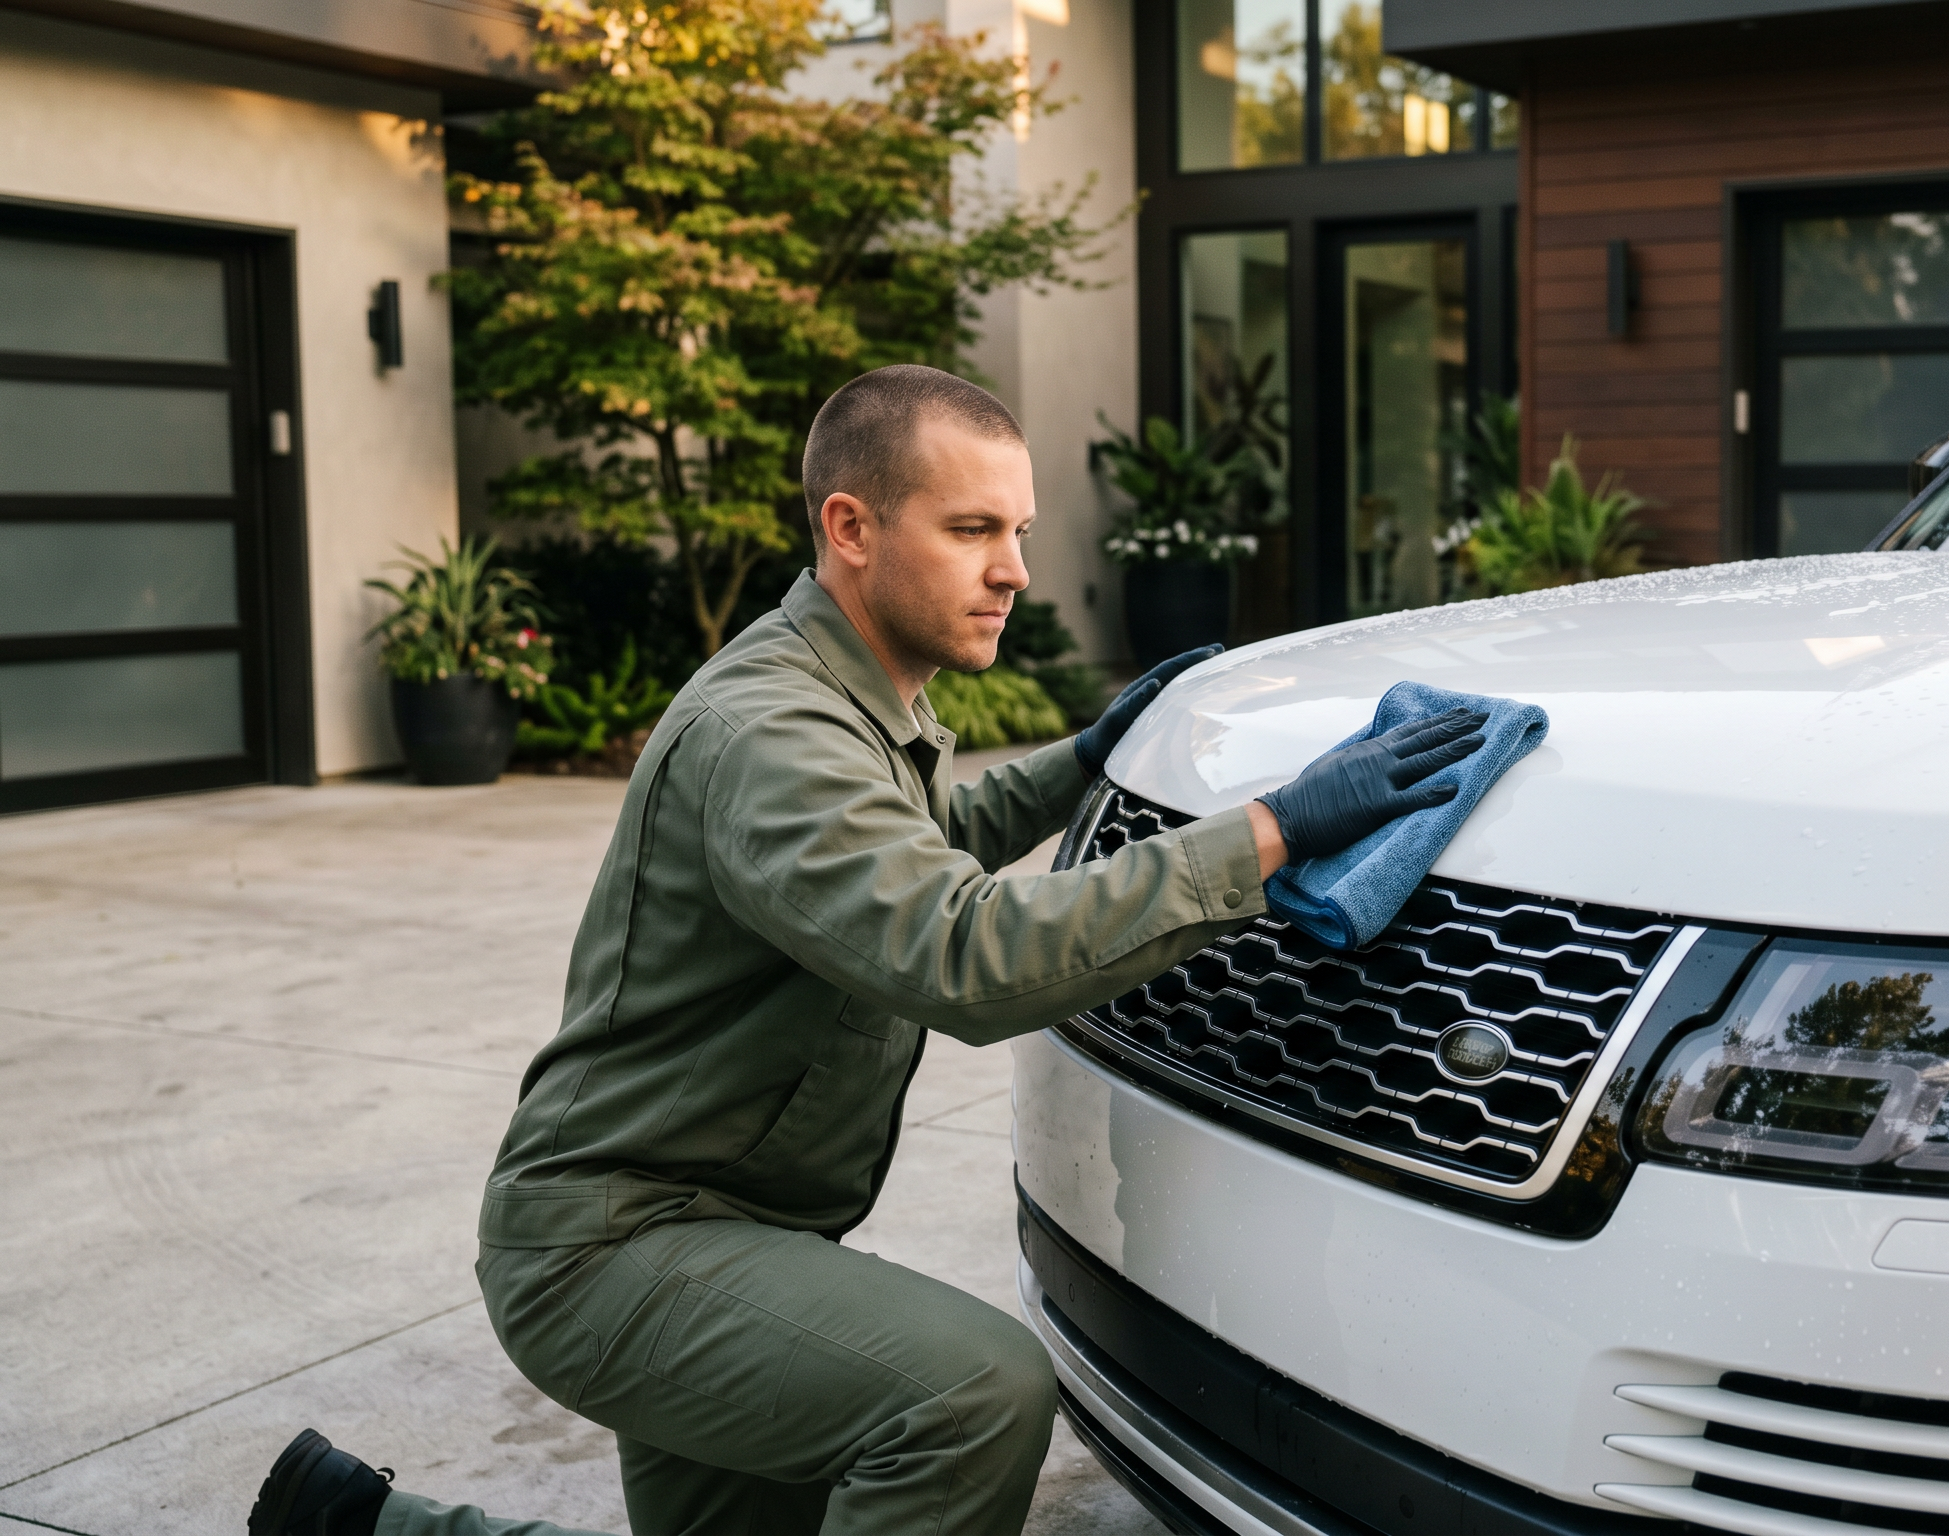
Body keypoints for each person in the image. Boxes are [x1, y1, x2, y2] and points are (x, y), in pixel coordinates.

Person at [247, 365, 1485, 1536]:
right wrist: (1270, 833)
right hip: (619, 1251)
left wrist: (1080, 758)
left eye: (1019, 532)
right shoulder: (771, 730)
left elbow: (915, 849)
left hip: (716, 1231)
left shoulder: (846, 696)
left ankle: (360, 1522)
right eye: (970, 531)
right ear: (851, 525)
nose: (1013, 571)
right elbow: (963, 955)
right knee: (974, 1396)